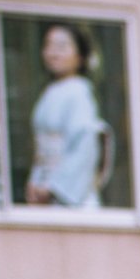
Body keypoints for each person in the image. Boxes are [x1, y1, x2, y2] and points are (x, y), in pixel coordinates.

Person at [25, 23, 109, 208]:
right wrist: (35, 181)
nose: (54, 53)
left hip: (66, 191)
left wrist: (54, 188)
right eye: (49, 46)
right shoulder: (50, 91)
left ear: (80, 56)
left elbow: (84, 146)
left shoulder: (79, 91)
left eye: (62, 46)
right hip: (45, 183)